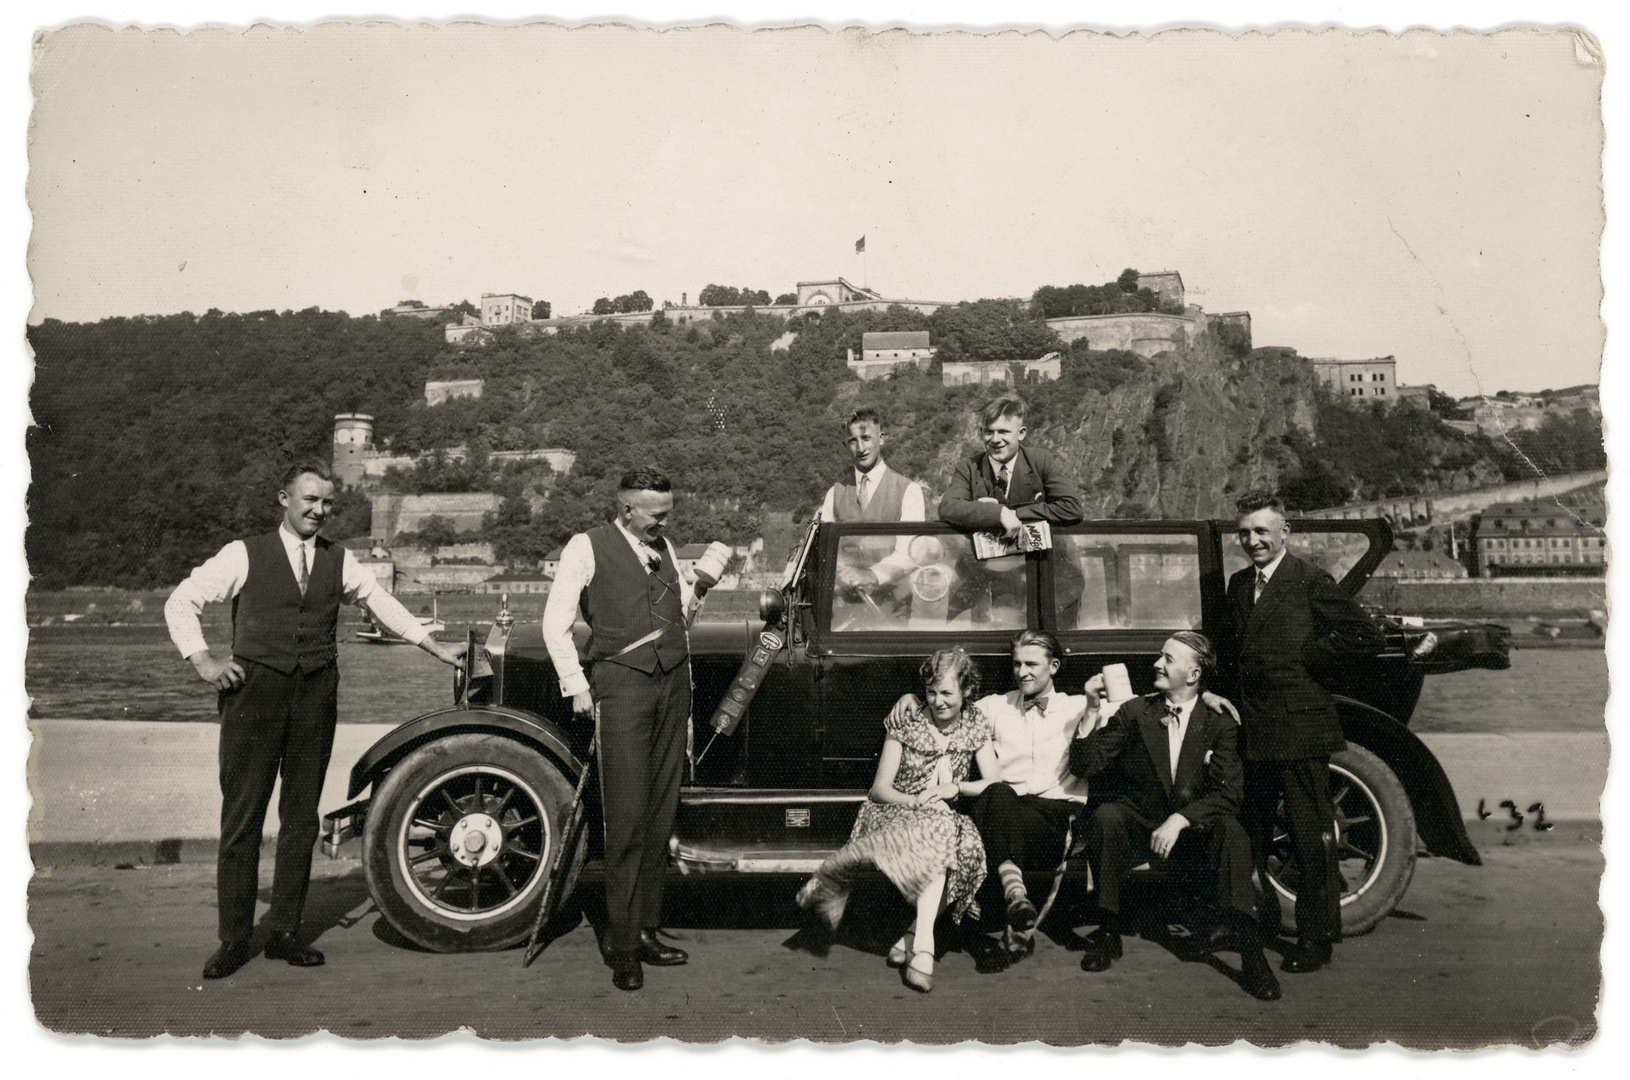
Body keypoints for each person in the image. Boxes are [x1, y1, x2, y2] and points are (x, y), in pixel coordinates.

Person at [165, 460, 466, 981]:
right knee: (243, 819)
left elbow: (382, 603)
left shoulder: (340, 560)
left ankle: (284, 932)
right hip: (253, 696)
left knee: (301, 819)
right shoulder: (243, 554)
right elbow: (180, 601)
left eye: (327, 503)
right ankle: (235, 939)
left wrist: (434, 646)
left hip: (315, 697)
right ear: (284, 498)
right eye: (309, 500)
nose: (319, 511)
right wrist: (205, 662)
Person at [541, 467, 707, 992]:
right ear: (626, 508)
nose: (665, 520)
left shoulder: (668, 547)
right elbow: (555, 624)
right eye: (656, 512)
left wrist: (699, 591)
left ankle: (647, 930)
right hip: (622, 690)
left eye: (668, 511)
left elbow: (676, 617)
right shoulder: (585, 548)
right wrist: (578, 687)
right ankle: (622, 943)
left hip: (672, 686)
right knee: (627, 820)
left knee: (660, 816)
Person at [1219, 491, 1384, 975]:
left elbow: (1364, 637)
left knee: (1311, 837)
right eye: (1245, 533)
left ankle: (1317, 938)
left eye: (1262, 532)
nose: (1253, 541)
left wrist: (1308, 659)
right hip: (1254, 728)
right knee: (1252, 832)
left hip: (1300, 726)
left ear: (1284, 532)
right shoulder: (1237, 585)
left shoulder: (1309, 579)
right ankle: (1256, 921)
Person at [1068, 632, 1281, 1001]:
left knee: (1231, 830)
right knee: (1106, 816)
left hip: (1192, 832)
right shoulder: (1135, 711)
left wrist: (1182, 819)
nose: (1156, 664)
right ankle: (1107, 932)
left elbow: (1229, 794)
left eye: (1167, 659)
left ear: (1194, 674)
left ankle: (1250, 950)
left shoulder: (1219, 722)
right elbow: (1085, 763)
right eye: (1160, 656)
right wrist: (1090, 708)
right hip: (1141, 824)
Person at [795, 649, 1001, 993]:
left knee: (963, 842)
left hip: (944, 817)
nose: (938, 701)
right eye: (931, 692)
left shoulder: (975, 723)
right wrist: (917, 801)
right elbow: (880, 790)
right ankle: (924, 948)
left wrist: (954, 787)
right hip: (892, 813)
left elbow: (993, 782)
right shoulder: (906, 720)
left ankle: (912, 936)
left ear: (966, 691)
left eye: (947, 693)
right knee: (942, 829)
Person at [963, 630, 1091, 947]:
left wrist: (1206, 696)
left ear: (1055, 666)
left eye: (1032, 664)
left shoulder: (1077, 707)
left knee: (1001, 806)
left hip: (1050, 820)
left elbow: (1145, 706)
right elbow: (947, 704)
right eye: (1017, 664)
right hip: (1004, 809)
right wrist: (911, 699)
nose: (1023, 672)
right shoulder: (995, 706)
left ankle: (1011, 899)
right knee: (998, 791)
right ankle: (1016, 895)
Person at [937, 396, 1084, 536]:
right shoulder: (969, 467)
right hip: (982, 560)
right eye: (989, 432)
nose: (995, 440)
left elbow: (1072, 508)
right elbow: (948, 507)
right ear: (981, 433)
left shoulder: (1040, 461)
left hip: (1038, 558)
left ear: (1021, 434)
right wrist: (998, 513)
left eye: (1003, 432)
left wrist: (1013, 514)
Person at [815, 406, 927, 526]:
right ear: (845, 446)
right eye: (853, 441)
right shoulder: (834, 495)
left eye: (866, 438)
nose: (861, 448)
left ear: (881, 439)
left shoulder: (909, 491)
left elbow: (909, 543)